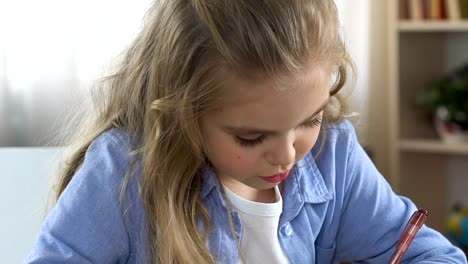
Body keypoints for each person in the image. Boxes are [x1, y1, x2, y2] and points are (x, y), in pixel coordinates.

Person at [26, 0, 467, 263]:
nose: (288, 156)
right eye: (251, 138)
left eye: (310, 119)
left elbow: (434, 254)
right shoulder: (123, 172)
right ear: (183, 109)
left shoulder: (333, 156)